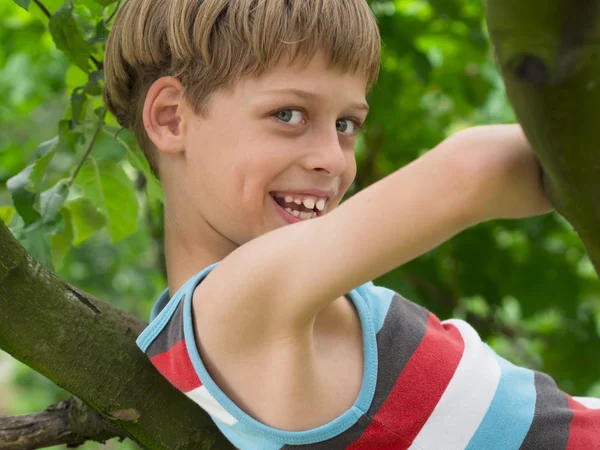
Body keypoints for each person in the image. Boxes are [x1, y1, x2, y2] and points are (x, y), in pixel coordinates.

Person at [104, 0, 600, 448]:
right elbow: (473, 173)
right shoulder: (229, 309)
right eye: (289, 114)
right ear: (172, 118)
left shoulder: (251, 309)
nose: (332, 160)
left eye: (346, 125)